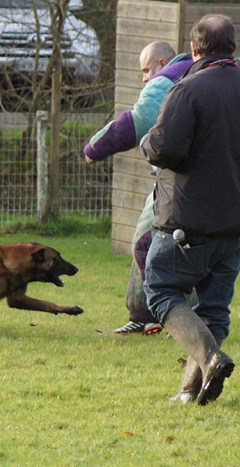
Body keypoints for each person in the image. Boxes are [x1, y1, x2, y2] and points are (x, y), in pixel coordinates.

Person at [140, 14, 240, 405]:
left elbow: (166, 148)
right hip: (234, 224)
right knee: (213, 308)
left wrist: (148, 140)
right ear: (232, 46)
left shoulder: (188, 89)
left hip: (187, 219)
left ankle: (210, 357)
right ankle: (190, 391)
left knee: (161, 291)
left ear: (195, 49)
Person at [84, 41, 192, 335]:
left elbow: (138, 121)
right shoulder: (200, 74)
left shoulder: (166, 80)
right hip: (200, 181)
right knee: (159, 244)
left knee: (148, 243)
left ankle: (177, 315)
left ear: (161, 63)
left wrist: (95, 147)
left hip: (177, 183)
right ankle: (144, 313)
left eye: (146, 70)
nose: (145, 77)